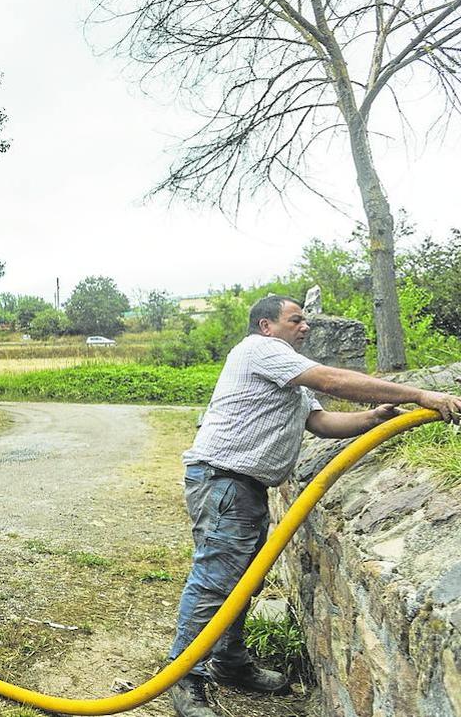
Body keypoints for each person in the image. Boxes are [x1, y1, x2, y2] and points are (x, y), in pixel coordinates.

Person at [167, 295, 461, 717]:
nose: (305, 327)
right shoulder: (260, 350)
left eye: (305, 321)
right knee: (215, 582)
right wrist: (419, 394)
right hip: (222, 482)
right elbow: (334, 381)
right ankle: (184, 680)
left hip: (241, 487)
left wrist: (375, 417)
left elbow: (321, 423)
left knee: (241, 581)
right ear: (267, 326)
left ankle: (229, 662)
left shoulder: (286, 375)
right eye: (296, 320)